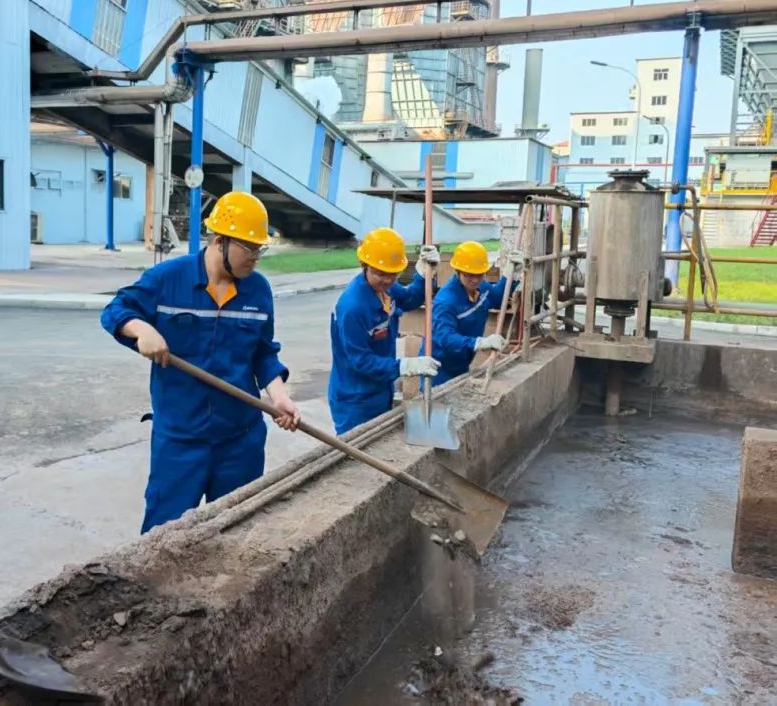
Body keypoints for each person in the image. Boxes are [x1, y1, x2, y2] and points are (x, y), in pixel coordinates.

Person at [101, 190, 301, 533]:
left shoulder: (258, 290)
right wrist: (141, 329)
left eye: (260, 249)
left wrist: (279, 397)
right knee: (164, 535)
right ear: (219, 241)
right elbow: (116, 310)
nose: (255, 258)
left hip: (240, 438)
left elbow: (263, 352)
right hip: (181, 439)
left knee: (236, 530)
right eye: (250, 248)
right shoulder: (168, 279)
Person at [328, 228, 441, 435]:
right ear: (364, 266)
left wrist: (424, 274)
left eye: (393, 274)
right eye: (380, 273)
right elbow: (361, 361)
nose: (387, 280)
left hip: (381, 389)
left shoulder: (386, 289)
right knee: (357, 450)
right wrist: (405, 366)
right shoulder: (352, 308)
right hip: (355, 399)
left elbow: (410, 299)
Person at [431, 240, 522, 386]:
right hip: (438, 369)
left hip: (462, 363)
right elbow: (445, 338)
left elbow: (498, 298)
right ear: (458, 271)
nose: (475, 280)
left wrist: (511, 275)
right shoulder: (446, 301)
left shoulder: (481, 287)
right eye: (469, 275)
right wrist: (479, 343)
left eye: (479, 274)